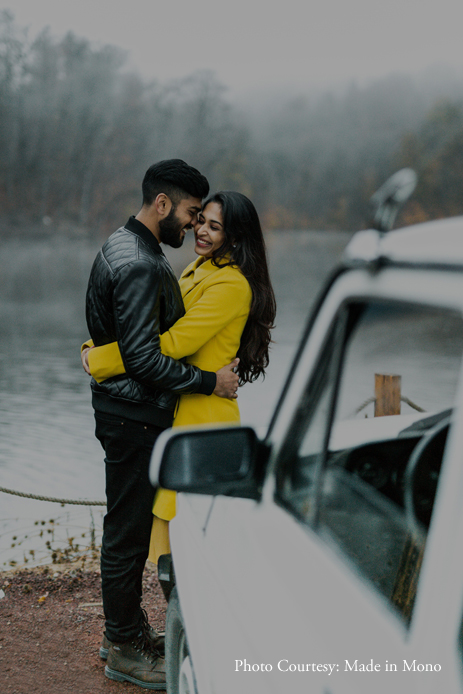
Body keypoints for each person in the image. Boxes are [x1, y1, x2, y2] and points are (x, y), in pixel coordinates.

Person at [84, 160, 240, 690]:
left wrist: (99, 358)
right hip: (132, 416)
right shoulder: (141, 263)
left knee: (123, 528)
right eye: (192, 214)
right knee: (126, 534)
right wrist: (208, 383)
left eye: (207, 219)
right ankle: (124, 648)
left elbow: (128, 347)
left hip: (123, 409)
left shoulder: (124, 246)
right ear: (163, 205)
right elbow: (145, 358)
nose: (194, 227)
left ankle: (123, 633)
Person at [83, 190, 276, 554]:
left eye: (214, 226)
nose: (200, 230)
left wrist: (103, 360)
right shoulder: (197, 268)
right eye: (201, 220)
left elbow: (172, 343)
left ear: (234, 237)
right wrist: (92, 345)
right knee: (174, 551)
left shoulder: (232, 285)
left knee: (194, 548)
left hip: (204, 420)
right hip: (181, 408)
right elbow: (148, 329)